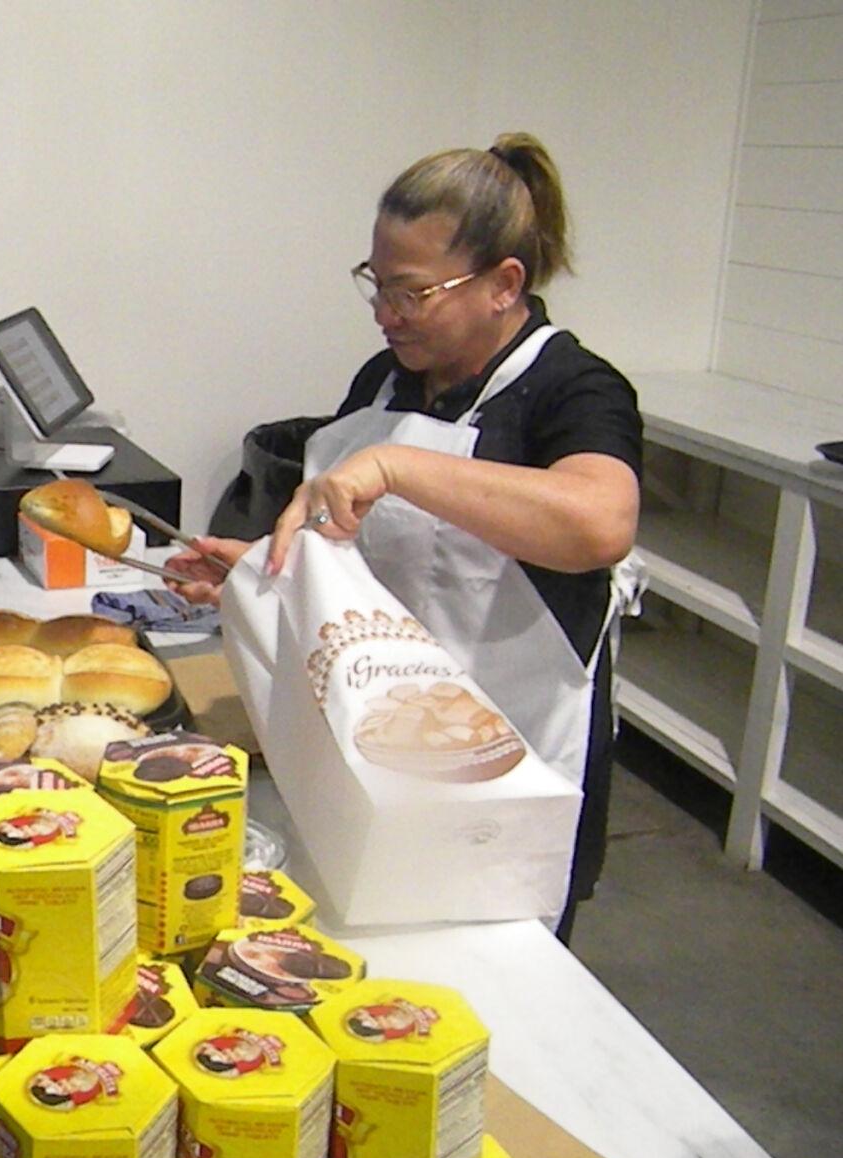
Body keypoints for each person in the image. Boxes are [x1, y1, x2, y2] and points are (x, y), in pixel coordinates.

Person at [171, 133, 641, 944]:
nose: (388, 313)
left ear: (504, 285)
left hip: (505, 769)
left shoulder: (571, 388)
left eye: (414, 293)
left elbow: (597, 524)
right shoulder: (387, 379)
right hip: (377, 748)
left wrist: (398, 465)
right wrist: (263, 573)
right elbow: (391, 562)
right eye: (378, 285)